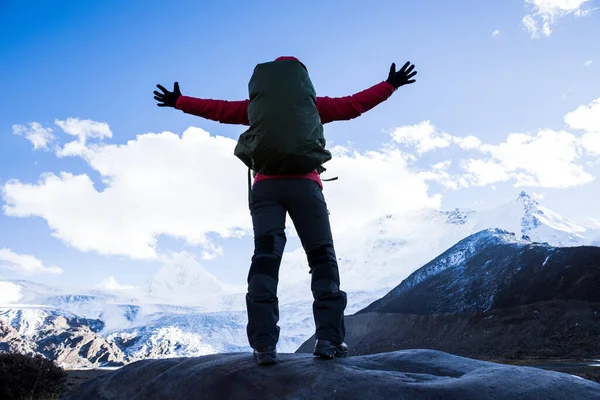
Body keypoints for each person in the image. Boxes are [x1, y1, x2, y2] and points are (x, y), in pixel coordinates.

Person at [153, 56, 417, 365]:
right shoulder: (314, 107)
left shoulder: (254, 109)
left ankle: (264, 345)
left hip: (266, 188)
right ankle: (329, 340)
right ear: (301, 82)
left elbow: (218, 110)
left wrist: (179, 101)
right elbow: (354, 105)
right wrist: (390, 85)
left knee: (265, 260)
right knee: (322, 258)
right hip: (305, 187)